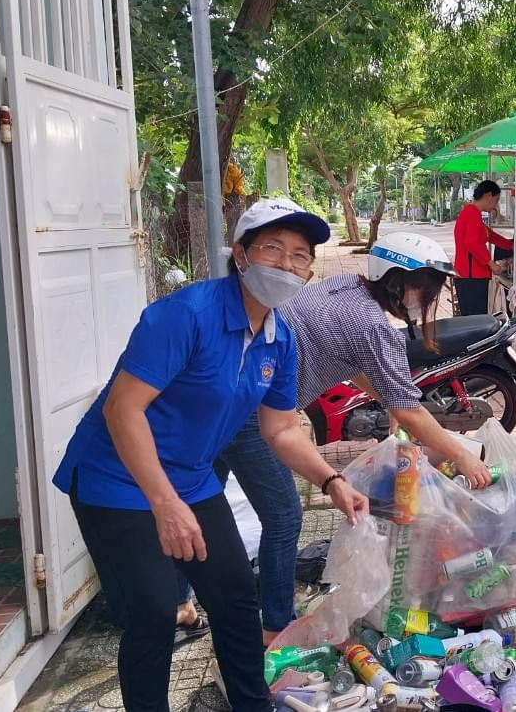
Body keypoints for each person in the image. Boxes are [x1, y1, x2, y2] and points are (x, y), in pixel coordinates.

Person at [52, 199, 369, 712]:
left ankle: (252, 704)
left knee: (234, 595)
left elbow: (282, 429)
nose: (287, 264)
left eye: (300, 255)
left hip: (192, 478)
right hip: (116, 479)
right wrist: (164, 503)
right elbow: (122, 411)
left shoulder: (279, 338)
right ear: (241, 256)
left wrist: (333, 482)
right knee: (153, 613)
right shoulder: (184, 316)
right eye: (273, 249)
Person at [202, 231, 493, 645]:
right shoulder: (372, 324)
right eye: (422, 288)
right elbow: (410, 407)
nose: (424, 299)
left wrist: (392, 401)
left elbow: (352, 363)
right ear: (394, 280)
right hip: (253, 413)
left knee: (198, 494)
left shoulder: (346, 288)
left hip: (226, 395)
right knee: (284, 517)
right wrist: (463, 458)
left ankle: (180, 600)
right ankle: (274, 630)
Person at [454, 180, 514, 315]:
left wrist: (512, 246)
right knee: (475, 318)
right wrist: (491, 263)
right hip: (471, 277)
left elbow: (490, 236)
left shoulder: (473, 213)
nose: (496, 204)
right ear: (488, 196)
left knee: (475, 317)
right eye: (496, 200)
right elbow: (472, 243)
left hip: (473, 276)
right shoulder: (471, 213)